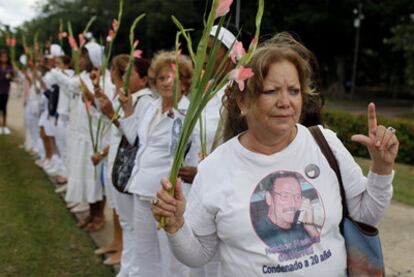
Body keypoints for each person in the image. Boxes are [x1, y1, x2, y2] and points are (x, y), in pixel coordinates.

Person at [152, 33, 399, 276]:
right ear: (242, 101)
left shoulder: (324, 143)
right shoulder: (215, 168)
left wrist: (381, 168)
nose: (285, 102)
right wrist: (176, 227)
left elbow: (365, 215)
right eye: (271, 91)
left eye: (293, 91)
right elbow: (199, 254)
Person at [118, 50, 199, 277]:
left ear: (184, 84)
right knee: (145, 254)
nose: (167, 82)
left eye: (173, 77)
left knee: (172, 260)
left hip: (167, 196)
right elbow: (136, 138)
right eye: (162, 78)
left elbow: (196, 153)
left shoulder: (189, 114)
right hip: (141, 189)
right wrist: (126, 111)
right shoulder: (151, 107)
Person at [253, 171, 320, 254]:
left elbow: (322, 250)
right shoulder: (259, 233)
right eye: (284, 196)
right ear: (269, 198)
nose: (293, 203)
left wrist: (310, 226)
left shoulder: (301, 226)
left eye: (297, 196)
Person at [0, 50, 14, 135]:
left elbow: (12, 77)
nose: (3, 58)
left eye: (5, 57)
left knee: (4, 108)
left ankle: (4, 126)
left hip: (5, 90)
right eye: (2, 56)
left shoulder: (9, 67)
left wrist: (9, 77)